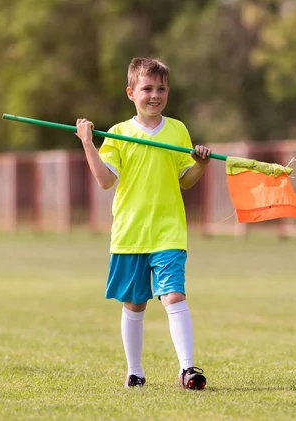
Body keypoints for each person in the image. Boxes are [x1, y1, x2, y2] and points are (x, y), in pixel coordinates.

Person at [75, 57, 211, 390]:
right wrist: (88, 143)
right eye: (147, 88)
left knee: (174, 296)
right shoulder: (119, 133)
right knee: (134, 303)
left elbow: (186, 180)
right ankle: (135, 371)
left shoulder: (177, 130)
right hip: (131, 234)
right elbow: (106, 181)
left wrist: (200, 164)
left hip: (168, 231)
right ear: (131, 92)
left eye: (161, 88)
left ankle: (187, 369)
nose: (155, 95)